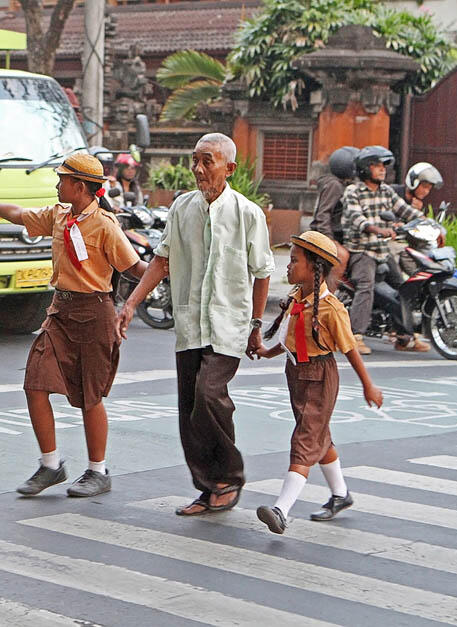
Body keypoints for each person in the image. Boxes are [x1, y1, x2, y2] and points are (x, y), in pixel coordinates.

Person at [0, 152, 147, 498]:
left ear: (79, 187)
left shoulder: (106, 225)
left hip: (95, 314)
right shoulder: (59, 215)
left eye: (62, 179)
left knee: (89, 396)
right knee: (35, 383)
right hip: (60, 313)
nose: (57, 184)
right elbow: (21, 215)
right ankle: (50, 465)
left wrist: (151, 286)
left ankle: (98, 471)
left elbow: (136, 269)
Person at [118, 133, 274, 515]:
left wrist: (255, 325)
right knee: (189, 407)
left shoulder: (247, 213)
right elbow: (162, 260)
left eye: (208, 161)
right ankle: (208, 487)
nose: (199, 169)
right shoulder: (181, 209)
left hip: (229, 325)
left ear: (229, 168)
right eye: (196, 161)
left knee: (208, 394)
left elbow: (263, 272)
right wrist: (130, 303)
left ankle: (229, 477)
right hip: (190, 323)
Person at [252, 231, 383, 534]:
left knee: (304, 440)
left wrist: (368, 385)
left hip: (319, 377)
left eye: (295, 260)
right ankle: (340, 495)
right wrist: (267, 352)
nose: (288, 265)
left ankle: (281, 509)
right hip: (296, 373)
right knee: (318, 436)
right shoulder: (298, 297)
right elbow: (291, 339)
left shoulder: (331, 308)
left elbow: (349, 348)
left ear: (314, 268)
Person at [340, 146, 427, 354]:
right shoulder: (353, 191)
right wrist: (377, 229)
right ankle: (355, 336)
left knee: (402, 287)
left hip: (382, 250)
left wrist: (426, 223)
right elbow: (357, 218)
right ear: (365, 168)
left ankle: (405, 336)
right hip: (361, 250)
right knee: (366, 286)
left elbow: (406, 211)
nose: (382, 170)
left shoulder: (386, 191)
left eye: (383, 166)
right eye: (377, 166)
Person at [310, 146, 358, 290]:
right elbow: (323, 214)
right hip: (323, 234)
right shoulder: (334, 185)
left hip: (337, 234)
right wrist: (329, 239)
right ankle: (325, 297)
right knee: (341, 256)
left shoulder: (342, 184)